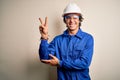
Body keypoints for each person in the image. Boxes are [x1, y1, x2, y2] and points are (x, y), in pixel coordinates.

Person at [39, 3, 94, 80]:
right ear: (65, 20)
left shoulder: (88, 38)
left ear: (79, 19)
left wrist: (60, 63)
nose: (71, 21)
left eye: (75, 17)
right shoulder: (57, 40)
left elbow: (84, 63)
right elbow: (44, 58)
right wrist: (44, 38)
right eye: (68, 17)